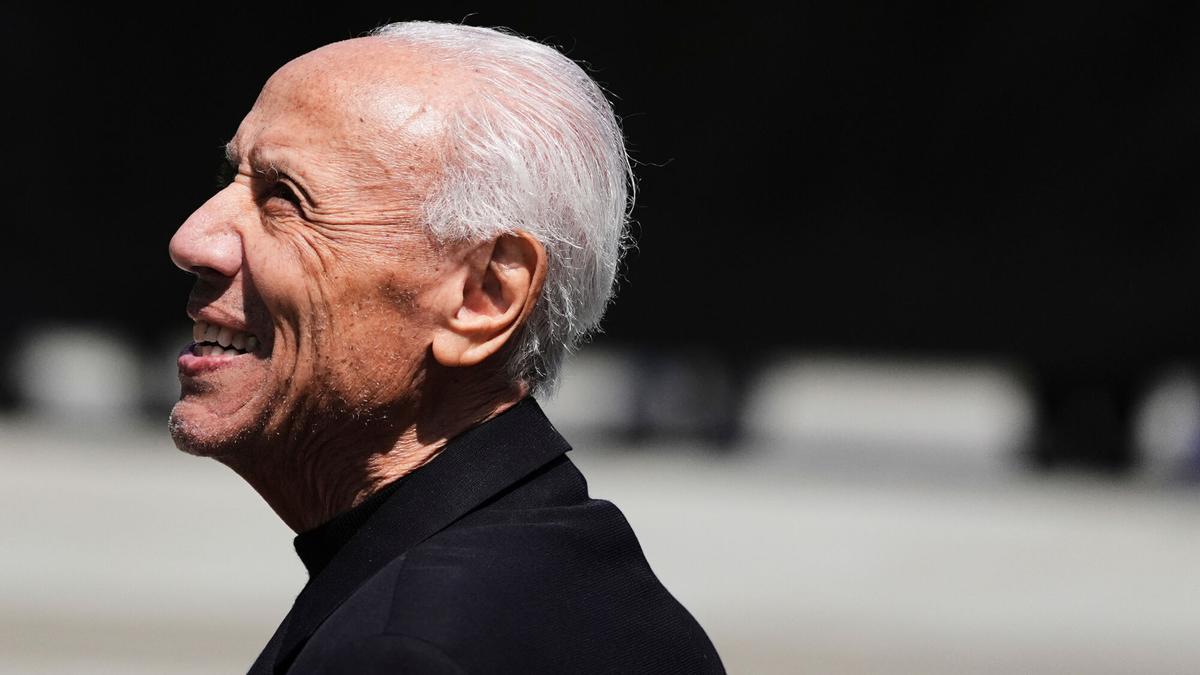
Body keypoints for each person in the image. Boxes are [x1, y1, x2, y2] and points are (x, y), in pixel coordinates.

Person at [166, 20, 723, 675]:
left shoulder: (406, 652)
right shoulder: (577, 580)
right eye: (233, 176)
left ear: (482, 297)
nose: (192, 238)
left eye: (284, 198)